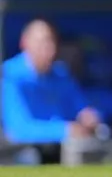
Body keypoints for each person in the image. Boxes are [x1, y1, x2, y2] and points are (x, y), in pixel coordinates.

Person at [1, 19, 102, 164]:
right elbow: (18, 130)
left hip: (65, 150)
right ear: (24, 43)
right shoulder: (9, 76)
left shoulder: (61, 74)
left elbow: (83, 110)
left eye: (51, 41)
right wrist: (65, 130)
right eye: (41, 42)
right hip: (25, 153)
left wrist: (89, 118)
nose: (48, 48)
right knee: (29, 157)